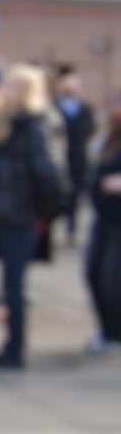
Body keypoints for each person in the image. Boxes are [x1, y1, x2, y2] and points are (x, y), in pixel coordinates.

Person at [0, 64, 66, 370]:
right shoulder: (0, 122)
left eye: (12, 86)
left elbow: (50, 176)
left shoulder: (35, 125)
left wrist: (43, 214)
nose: (3, 89)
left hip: (17, 219)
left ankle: (14, 351)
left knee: (13, 287)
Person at [84, 91, 121, 354]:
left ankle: (115, 334)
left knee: (112, 280)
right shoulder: (108, 137)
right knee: (95, 275)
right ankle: (108, 332)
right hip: (104, 219)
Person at [55, 68, 96, 243]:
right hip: (53, 163)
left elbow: (91, 131)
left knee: (74, 196)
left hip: (76, 159)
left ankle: (70, 229)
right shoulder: (47, 110)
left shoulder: (84, 109)